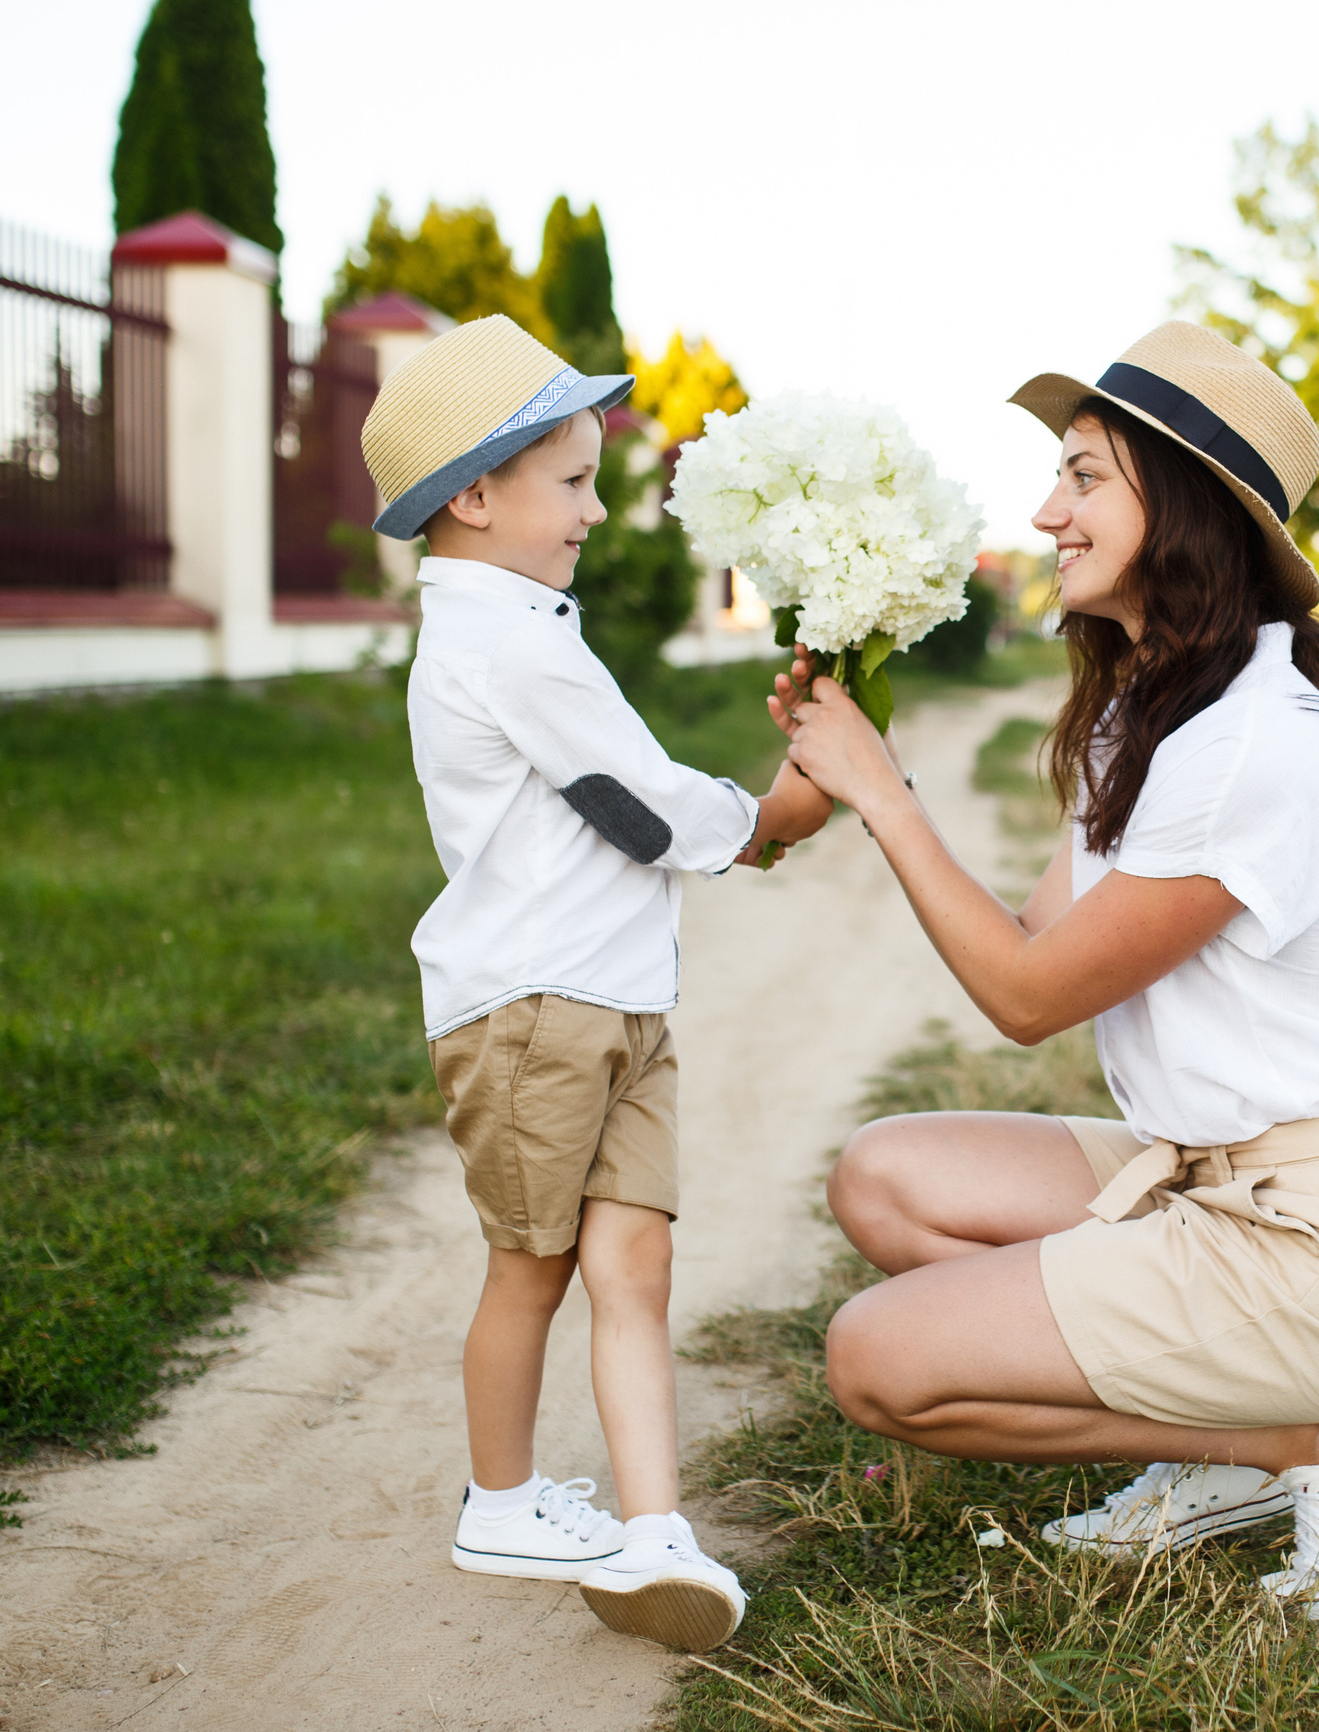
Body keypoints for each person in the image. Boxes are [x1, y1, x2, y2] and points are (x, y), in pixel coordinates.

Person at [772, 322, 1319, 1625]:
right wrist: (876, 781)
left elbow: (1029, 1003)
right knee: (883, 1178)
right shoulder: (1153, 711)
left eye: (1085, 477)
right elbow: (1032, 947)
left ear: (1187, 508)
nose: (1047, 513)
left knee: (876, 1361)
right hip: (1205, 1174)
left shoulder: (1256, 742)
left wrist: (883, 795)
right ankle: (1238, 1437)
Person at [361, 315, 831, 1654]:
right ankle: (501, 1503)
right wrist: (771, 820)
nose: (596, 506)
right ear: (475, 495)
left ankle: (654, 1531)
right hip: (532, 1010)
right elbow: (632, 803)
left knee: (637, 1259)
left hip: (613, 1001)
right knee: (536, 1266)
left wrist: (771, 805)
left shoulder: (525, 626)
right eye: (572, 480)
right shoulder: (501, 643)